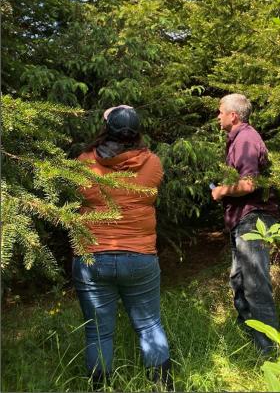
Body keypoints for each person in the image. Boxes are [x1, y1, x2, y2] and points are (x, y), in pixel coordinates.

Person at [73, 105, 172, 389]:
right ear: (137, 132)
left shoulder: (84, 162)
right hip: (139, 257)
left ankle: (100, 388)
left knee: (97, 334)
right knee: (149, 326)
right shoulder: (152, 163)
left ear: (106, 129)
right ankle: (162, 387)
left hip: (92, 257)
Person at [211, 93, 280, 355]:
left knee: (255, 283)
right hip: (243, 218)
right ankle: (250, 337)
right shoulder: (237, 140)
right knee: (239, 280)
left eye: (220, 111)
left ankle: (269, 349)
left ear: (233, 115)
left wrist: (221, 191)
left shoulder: (246, 139)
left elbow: (249, 183)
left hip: (254, 218)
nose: (218, 116)